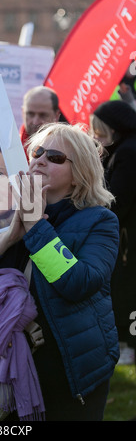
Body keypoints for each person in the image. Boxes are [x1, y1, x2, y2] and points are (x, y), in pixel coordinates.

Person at [0, 122, 120, 421]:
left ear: (79, 175)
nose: (40, 160)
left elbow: (78, 283)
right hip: (5, 370)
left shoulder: (99, 221)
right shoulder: (3, 208)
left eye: (56, 157)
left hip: (70, 374)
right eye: (37, 152)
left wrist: (36, 225)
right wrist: (8, 236)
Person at [90, 99, 136, 365]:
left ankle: (128, 344)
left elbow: (118, 200)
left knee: (127, 289)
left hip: (128, 237)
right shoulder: (125, 149)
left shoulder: (127, 153)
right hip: (127, 235)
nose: (97, 137)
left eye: (100, 131)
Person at [19, 86, 61, 158]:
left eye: (43, 115)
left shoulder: (69, 150)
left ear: (56, 115)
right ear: (23, 113)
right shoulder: (6, 151)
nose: (35, 122)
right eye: (30, 114)